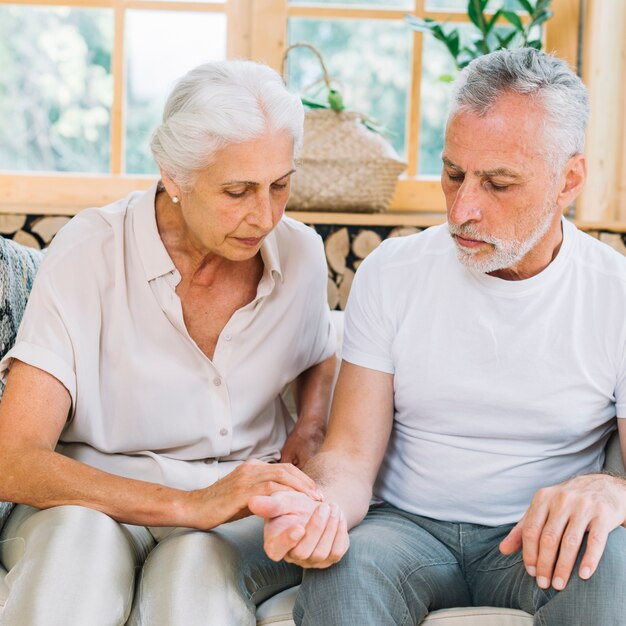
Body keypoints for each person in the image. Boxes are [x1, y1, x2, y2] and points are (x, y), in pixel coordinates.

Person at [249, 48, 626, 625]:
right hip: (404, 529)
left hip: (539, 539)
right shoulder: (392, 271)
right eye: (453, 174)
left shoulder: (614, 294)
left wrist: (611, 490)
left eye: (499, 184)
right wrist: (320, 508)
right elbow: (349, 455)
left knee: (614, 567)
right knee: (344, 572)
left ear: (568, 179)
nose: (463, 209)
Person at [0, 59, 337, 626]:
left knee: (193, 583)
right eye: (238, 190)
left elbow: (322, 349)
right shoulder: (90, 251)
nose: (265, 215)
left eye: (280, 185)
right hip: (94, 498)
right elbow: (13, 459)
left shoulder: (300, 254)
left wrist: (310, 426)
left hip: (240, 508)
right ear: (173, 176)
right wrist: (190, 505)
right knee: (71, 567)